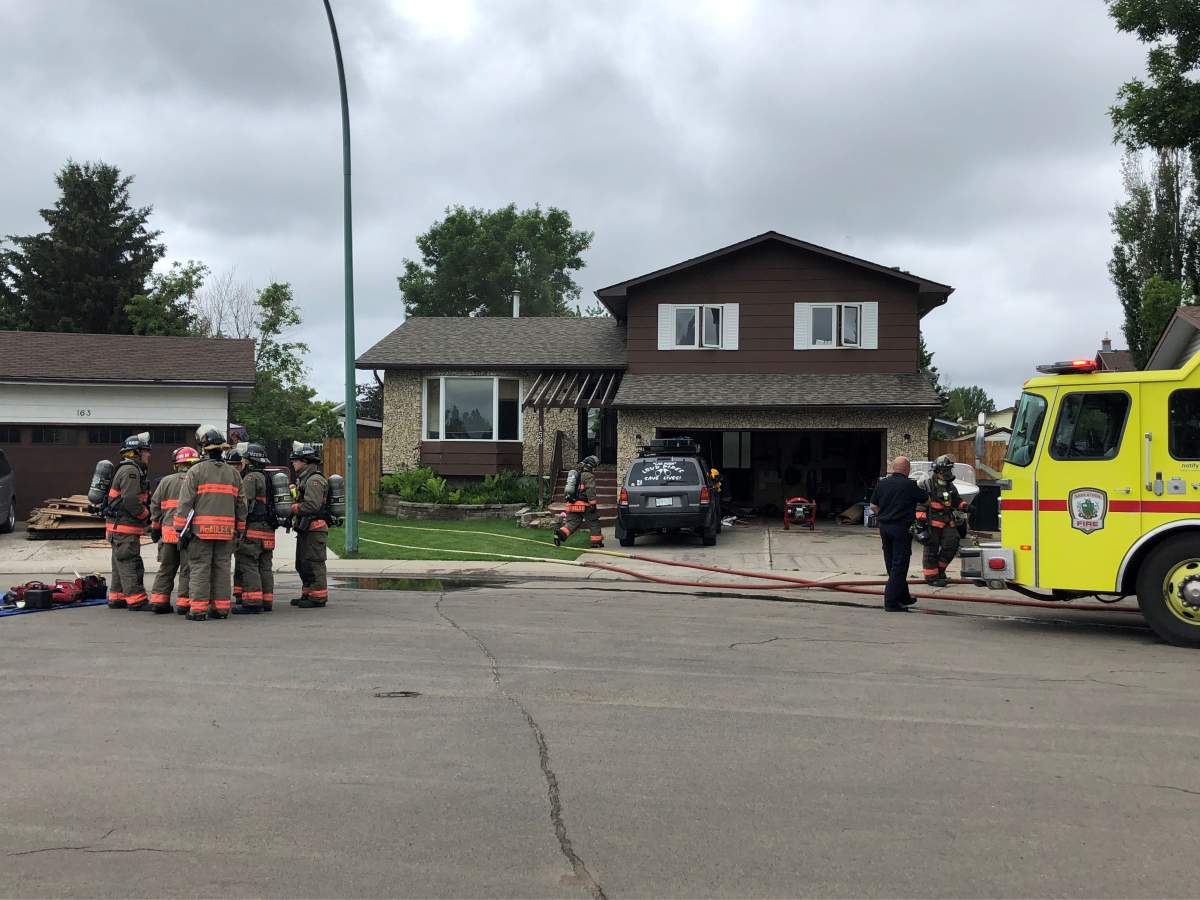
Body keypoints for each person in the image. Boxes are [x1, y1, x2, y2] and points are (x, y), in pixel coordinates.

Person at [175, 427, 246, 622]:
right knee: (222, 569)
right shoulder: (234, 474)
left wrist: (180, 529)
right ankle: (221, 609)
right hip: (226, 532)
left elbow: (185, 503)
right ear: (222, 449)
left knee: (199, 568)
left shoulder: (195, 471)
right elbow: (242, 505)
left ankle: (198, 610)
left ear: (204, 449)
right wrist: (239, 529)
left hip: (201, 532)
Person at [869, 456, 929, 612]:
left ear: (893, 468)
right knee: (899, 565)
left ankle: (904, 596)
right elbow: (926, 500)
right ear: (907, 469)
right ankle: (891, 602)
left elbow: (873, 505)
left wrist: (884, 515)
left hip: (884, 527)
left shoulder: (882, 484)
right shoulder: (909, 485)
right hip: (901, 529)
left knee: (891, 562)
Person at [148, 446, 200, 615]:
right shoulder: (197, 480)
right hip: (188, 534)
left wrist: (155, 529)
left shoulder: (165, 481)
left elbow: (155, 507)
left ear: (177, 464)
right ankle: (184, 604)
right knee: (187, 569)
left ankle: (158, 602)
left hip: (168, 534)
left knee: (166, 568)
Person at [105, 432, 152, 610]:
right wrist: (145, 515)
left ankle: (117, 597)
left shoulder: (127, 469)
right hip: (125, 527)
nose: (149, 454)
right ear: (137, 452)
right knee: (130, 563)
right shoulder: (131, 471)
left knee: (120, 563)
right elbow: (131, 500)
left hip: (118, 527)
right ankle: (136, 600)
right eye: (146, 451)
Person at [233, 442, 277, 614]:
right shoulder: (269, 477)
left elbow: (243, 503)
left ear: (250, 461)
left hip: (253, 529)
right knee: (265, 565)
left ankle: (252, 602)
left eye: (244, 460)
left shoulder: (251, 478)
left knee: (248, 563)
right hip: (268, 530)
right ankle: (266, 601)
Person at [916, 454, 968, 587]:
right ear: (938, 471)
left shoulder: (950, 486)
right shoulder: (927, 485)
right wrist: (920, 525)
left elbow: (955, 500)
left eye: (950, 470)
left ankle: (939, 571)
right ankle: (931, 577)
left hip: (947, 522)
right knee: (931, 550)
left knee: (952, 544)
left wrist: (964, 506)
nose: (949, 473)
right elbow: (921, 505)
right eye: (946, 470)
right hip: (932, 523)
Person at [290, 443, 329, 608]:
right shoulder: (304, 479)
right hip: (306, 528)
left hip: (315, 529)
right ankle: (307, 594)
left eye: (295, 460)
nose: (293, 463)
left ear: (305, 461)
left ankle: (318, 597)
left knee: (314, 562)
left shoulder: (314, 480)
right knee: (302, 563)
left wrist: (293, 508)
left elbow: (312, 505)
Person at [554, 455, 604, 549]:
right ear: (591, 465)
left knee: (573, 522)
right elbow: (590, 490)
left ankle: (560, 534)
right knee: (593, 522)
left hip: (572, 504)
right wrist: (593, 504)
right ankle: (596, 542)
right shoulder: (588, 476)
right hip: (584, 505)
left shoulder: (576, 474)